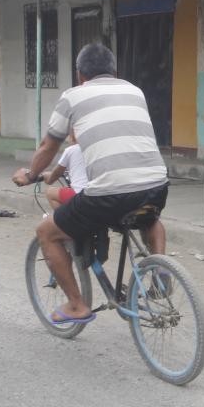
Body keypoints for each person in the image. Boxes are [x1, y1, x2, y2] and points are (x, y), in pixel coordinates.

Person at [12, 43, 168, 325]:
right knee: (148, 216)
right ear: (114, 71)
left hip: (108, 195)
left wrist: (31, 174)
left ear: (80, 75)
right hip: (157, 187)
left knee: (46, 232)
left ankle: (76, 305)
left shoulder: (73, 96)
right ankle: (161, 270)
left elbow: (49, 145)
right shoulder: (135, 91)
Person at [42, 138, 89, 211]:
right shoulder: (94, 148)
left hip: (81, 195)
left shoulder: (71, 150)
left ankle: (64, 219)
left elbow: (55, 174)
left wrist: (47, 177)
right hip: (102, 194)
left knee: (50, 192)